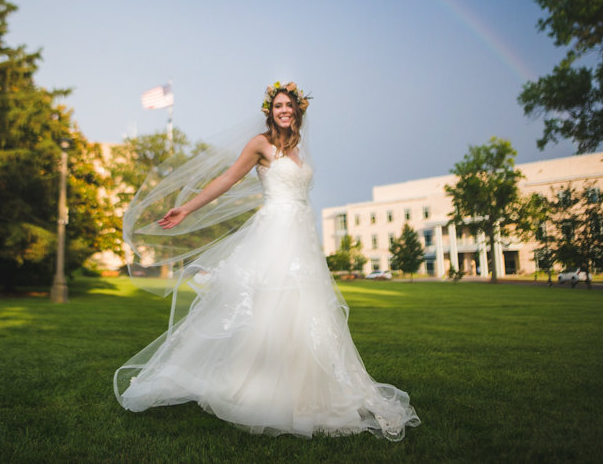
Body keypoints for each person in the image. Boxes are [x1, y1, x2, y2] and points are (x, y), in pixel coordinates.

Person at [114, 82, 420, 441]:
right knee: (266, 310)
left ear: (298, 110)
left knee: (306, 314)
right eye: (278, 106)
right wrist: (188, 208)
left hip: (302, 237)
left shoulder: (300, 149)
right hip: (274, 235)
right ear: (269, 111)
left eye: (289, 105)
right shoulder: (261, 144)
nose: (284, 110)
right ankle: (257, 389)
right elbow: (229, 178)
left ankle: (306, 390)